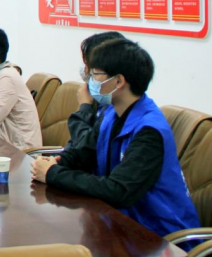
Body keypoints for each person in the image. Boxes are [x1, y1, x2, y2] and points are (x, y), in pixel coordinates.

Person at [31, 39, 200, 239]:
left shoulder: (149, 131)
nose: (90, 82)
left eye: (95, 75)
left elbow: (118, 191)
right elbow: (85, 153)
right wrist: (57, 162)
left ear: (119, 81)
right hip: (120, 222)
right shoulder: (112, 113)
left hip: (159, 236)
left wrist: (53, 174)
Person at [66, 31, 127, 152]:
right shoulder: (102, 101)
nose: (86, 71)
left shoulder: (118, 111)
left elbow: (86, 149)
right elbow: (74, 149)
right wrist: (57, 161)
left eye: (94, 70)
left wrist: (84, 108)